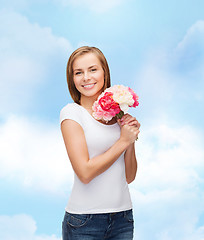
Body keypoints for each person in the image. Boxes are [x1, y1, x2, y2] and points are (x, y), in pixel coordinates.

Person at [60, 46, 140, 240]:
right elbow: (85, 173)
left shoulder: (118, 118)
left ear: (105, 72)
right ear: (72, 79)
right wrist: (122, 142)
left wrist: (129, 138)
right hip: (84, 222)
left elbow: (129, 176)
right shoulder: (72, 114)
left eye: (93, 69)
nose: (86, 77)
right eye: (78, 72)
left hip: (123, 218)